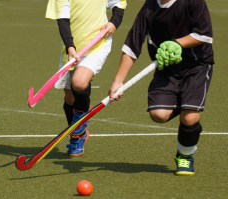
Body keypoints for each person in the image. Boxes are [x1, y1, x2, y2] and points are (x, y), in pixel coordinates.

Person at [109, 0, 214, 175]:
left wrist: (177, 43)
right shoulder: (149, 7)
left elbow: (205, 35)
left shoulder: (193, 2)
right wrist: (118, 81)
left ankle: (185, 156)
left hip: (197, 66)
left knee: (189, 118)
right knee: (158, 115)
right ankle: (189, 109)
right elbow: (132, 45)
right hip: (166, 68)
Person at [45, 0, 127, 156]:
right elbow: (62, 20)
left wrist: (114, 22)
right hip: (71, 48)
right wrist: (70, 46)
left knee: (79, 82)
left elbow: (118, 4)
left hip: (97, 43)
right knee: (70, 98)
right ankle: (79, 134)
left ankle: (77, 132)